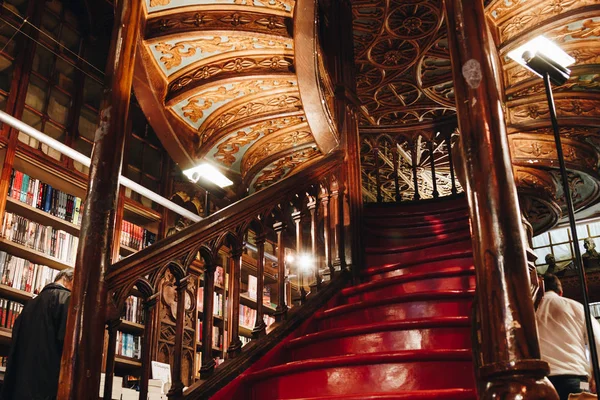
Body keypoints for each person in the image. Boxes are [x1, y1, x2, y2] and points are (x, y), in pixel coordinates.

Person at [0, 268, 74, 400]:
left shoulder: (29, 305)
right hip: (47, 387)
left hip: (19, 387)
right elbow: (68, 348)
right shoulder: (66, 299)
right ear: (68, 279)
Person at [536, 274, 600, 400]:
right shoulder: (576, 307)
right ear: (560, 292)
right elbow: (598, 341)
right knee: (587, 390)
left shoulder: (531, 310)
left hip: (540, 385)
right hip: (576, 381)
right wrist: (595, 376)